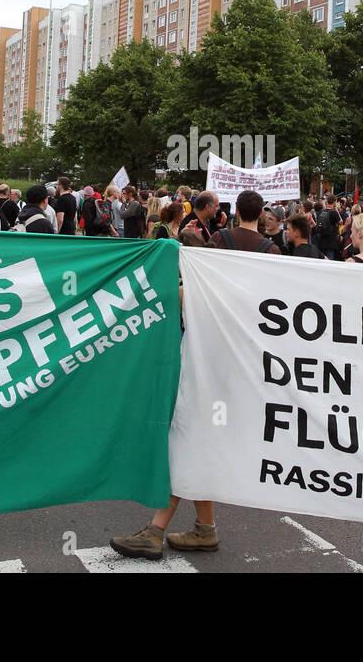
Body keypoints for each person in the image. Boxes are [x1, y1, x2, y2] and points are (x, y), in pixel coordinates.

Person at [110, 190, 275, 562]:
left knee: (189, 436)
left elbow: (199, 291)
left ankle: (157, 530)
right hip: (238, 360)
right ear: (262, 213)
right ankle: (203, 528)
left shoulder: (220, 242)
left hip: (207, 353)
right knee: (199, 437)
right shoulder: (271, 254)